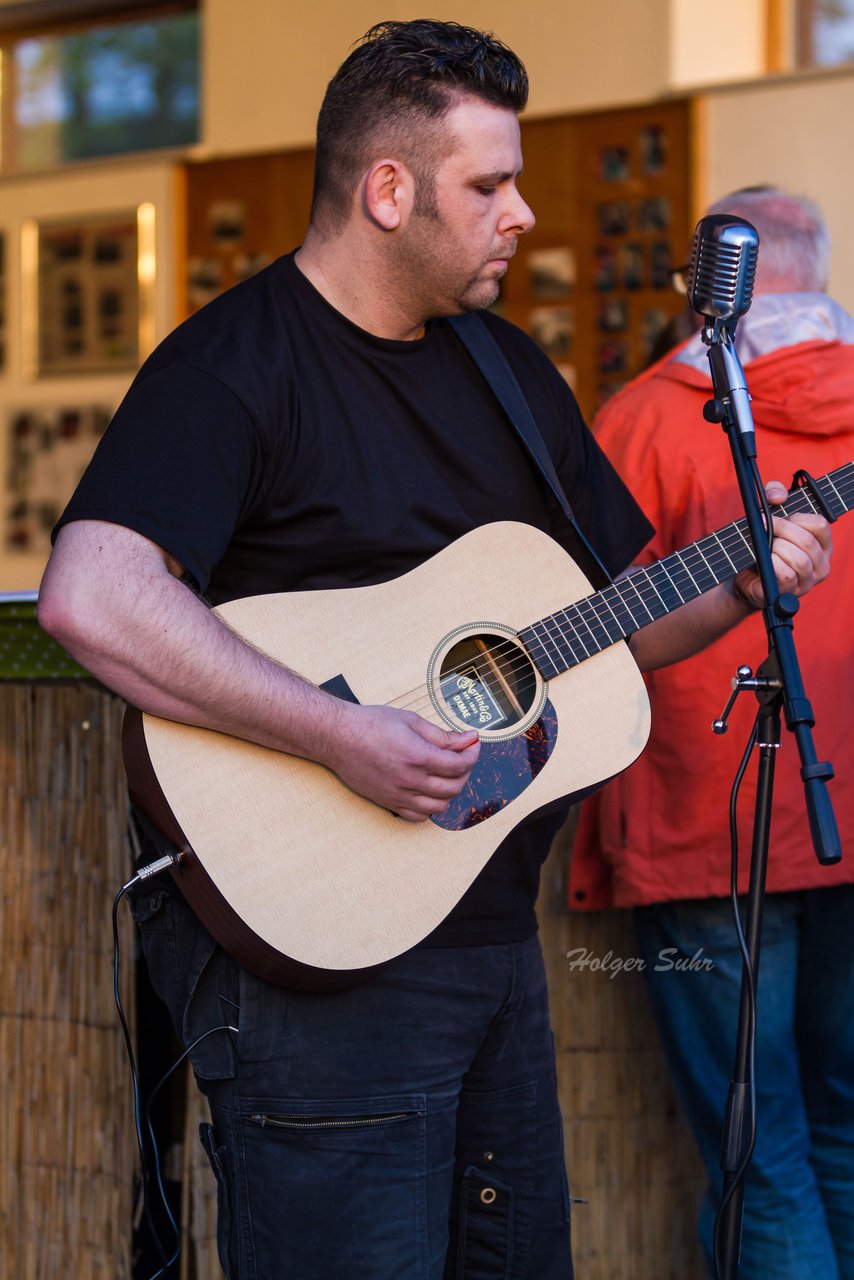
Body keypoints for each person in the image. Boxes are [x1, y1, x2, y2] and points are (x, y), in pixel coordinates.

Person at [37, 24, 832, 1277]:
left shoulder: (507, 367)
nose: (517, 213)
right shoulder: (235, 364)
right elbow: (90, 594)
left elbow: (611, 619)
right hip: (314, 969)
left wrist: (737, 581)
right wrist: (341, 732)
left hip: (485, 944)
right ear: (387, 190)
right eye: (488, 185)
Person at [571, 186, 854, 1279]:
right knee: (839, 1126)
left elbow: (584, 618)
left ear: (708, 280)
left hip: (705, 824)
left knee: (758, 1152)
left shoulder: (644, 417)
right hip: (843, 809)